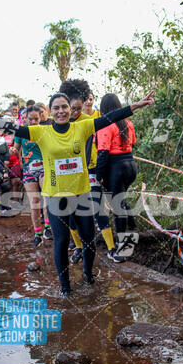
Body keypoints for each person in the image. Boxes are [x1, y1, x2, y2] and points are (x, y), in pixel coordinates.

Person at [0, 90, 154, 296]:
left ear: (69, 109)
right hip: (56, 196)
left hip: (82, 194)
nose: (61, 111)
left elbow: (110, 117)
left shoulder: (82, 127)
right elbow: (14, 127)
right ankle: (65, 287)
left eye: (64, 107)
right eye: (56, 108)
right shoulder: (42, 132)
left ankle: (88, 276)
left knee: (89, 239)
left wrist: (137, 105)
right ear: (50, 111)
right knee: (61, 241)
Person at [59, 80, 120, 263]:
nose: (74, 112)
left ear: (84, 102)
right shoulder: (58, 122)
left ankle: (111, 248)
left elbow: (115, 118)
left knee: (97, 208)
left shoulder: (92, 121)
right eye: (72, 108)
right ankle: (78, 248)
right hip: (67, 173)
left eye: (78, 108)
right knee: (71, 214)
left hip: (90, 169)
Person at [96, 93, 139, 257]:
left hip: (116, 167)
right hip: (130, 166)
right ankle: (133, 228)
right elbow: (133, 144)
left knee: (117, 207)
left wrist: (99, 174)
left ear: (103, 109)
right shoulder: (128, 123)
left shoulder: (105, 124)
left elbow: (102, 153)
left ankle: (123, 250)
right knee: (122, 201)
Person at [13, 105, 52, 247]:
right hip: (29, 170)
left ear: (40, 118)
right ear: (26, 119)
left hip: (44, 168)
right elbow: (16, 149)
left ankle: (48, 228)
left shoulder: (44, 130)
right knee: (34, 202)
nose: (34, 122)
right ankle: (37, 234)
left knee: (47, 197)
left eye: (37, 119)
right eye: (31, 119)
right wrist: (12, 150)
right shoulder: (21, 132)